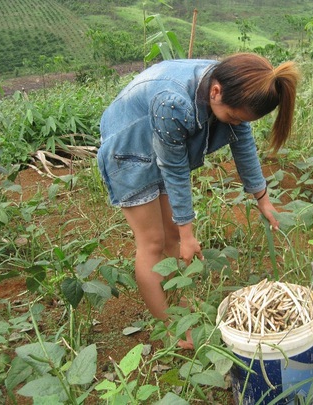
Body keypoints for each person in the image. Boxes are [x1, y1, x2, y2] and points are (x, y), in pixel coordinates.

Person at [97, 53, 299, 349]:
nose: (234, 123)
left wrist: (263, 198)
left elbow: (242, 142)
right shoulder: (173, 103)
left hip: (159, 141)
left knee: (172, 241)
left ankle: (182, 313)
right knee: (153, 242)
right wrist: (187, 233)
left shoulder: (230, 83)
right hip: (129, 150)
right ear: (215, 92)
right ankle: (170, 329)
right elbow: (176, 171)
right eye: (232, 116)